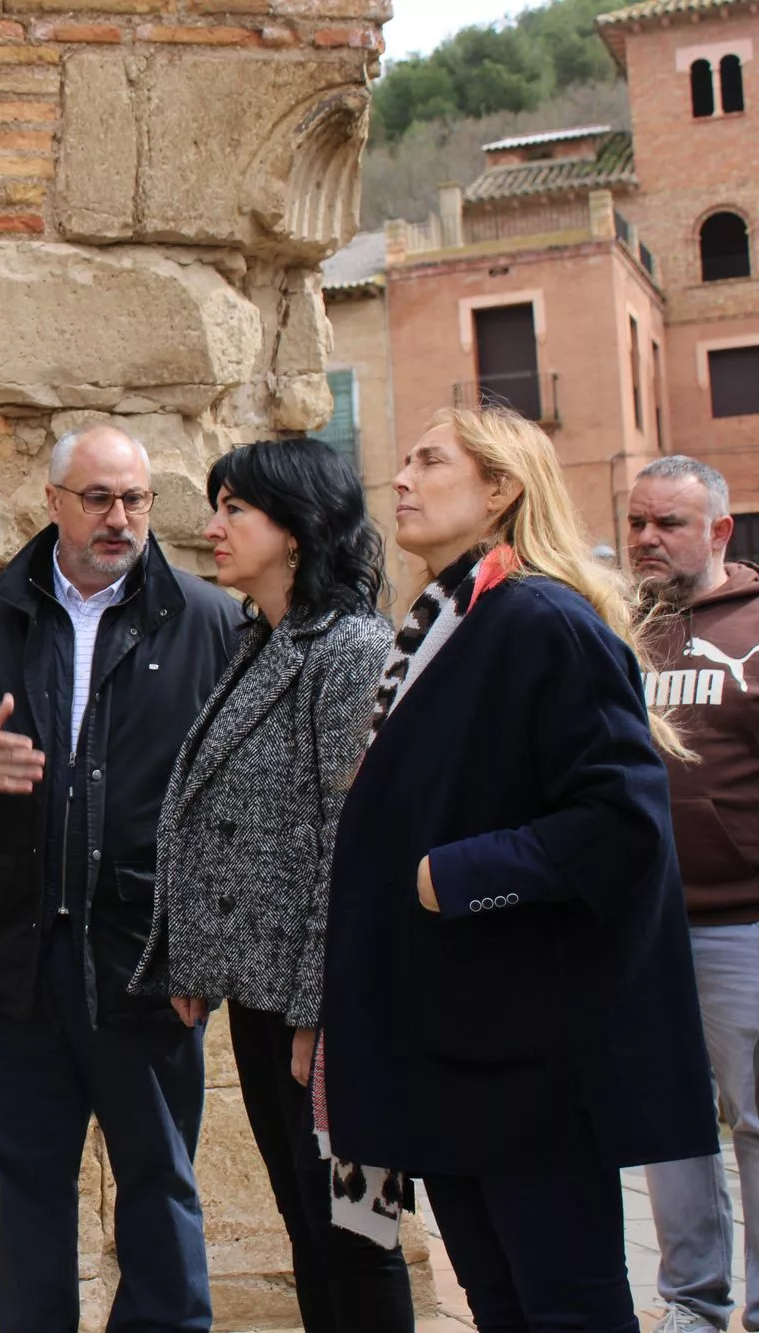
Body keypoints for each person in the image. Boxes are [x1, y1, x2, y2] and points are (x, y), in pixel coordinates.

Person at [322, 407, 717, 1331]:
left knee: (566, 1306)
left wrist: (454, 875)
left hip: (529, 1051)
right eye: (404, 460)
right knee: (500, 1302)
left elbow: (621, 821)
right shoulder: (447, 622)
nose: (401, 479)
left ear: (500, 489)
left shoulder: (541, 619)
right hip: (453, 1040)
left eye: (431, 461)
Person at [0, 425, 242, 1332]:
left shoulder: (209, 620)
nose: (119, 518)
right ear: (53, 503)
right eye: (98, 498)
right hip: (17, 960)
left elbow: (245, 802)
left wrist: (207, 943)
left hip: (146, 959)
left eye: (136, 499)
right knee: (27, 1185)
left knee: (159, 1181)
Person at [130, 438, 413, 1332]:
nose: (213, 527)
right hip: (265, 994)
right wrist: (192, 954)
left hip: (325, 1002)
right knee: (310, 1230)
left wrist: (320, 1013)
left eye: (235, 510)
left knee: (356, 1239)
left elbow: (349, 843)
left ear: (296, 529)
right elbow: (221, 815)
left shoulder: (352, 649)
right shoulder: (264, 640)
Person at [627, 455, 759, 1333]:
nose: (646, 538)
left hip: (745, 922)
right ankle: (690, 1301)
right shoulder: (616, 628)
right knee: (669, 1122)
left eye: (668, 523)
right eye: (636, 521)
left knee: (756, 1119)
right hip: (642, 924)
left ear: (718, 531)